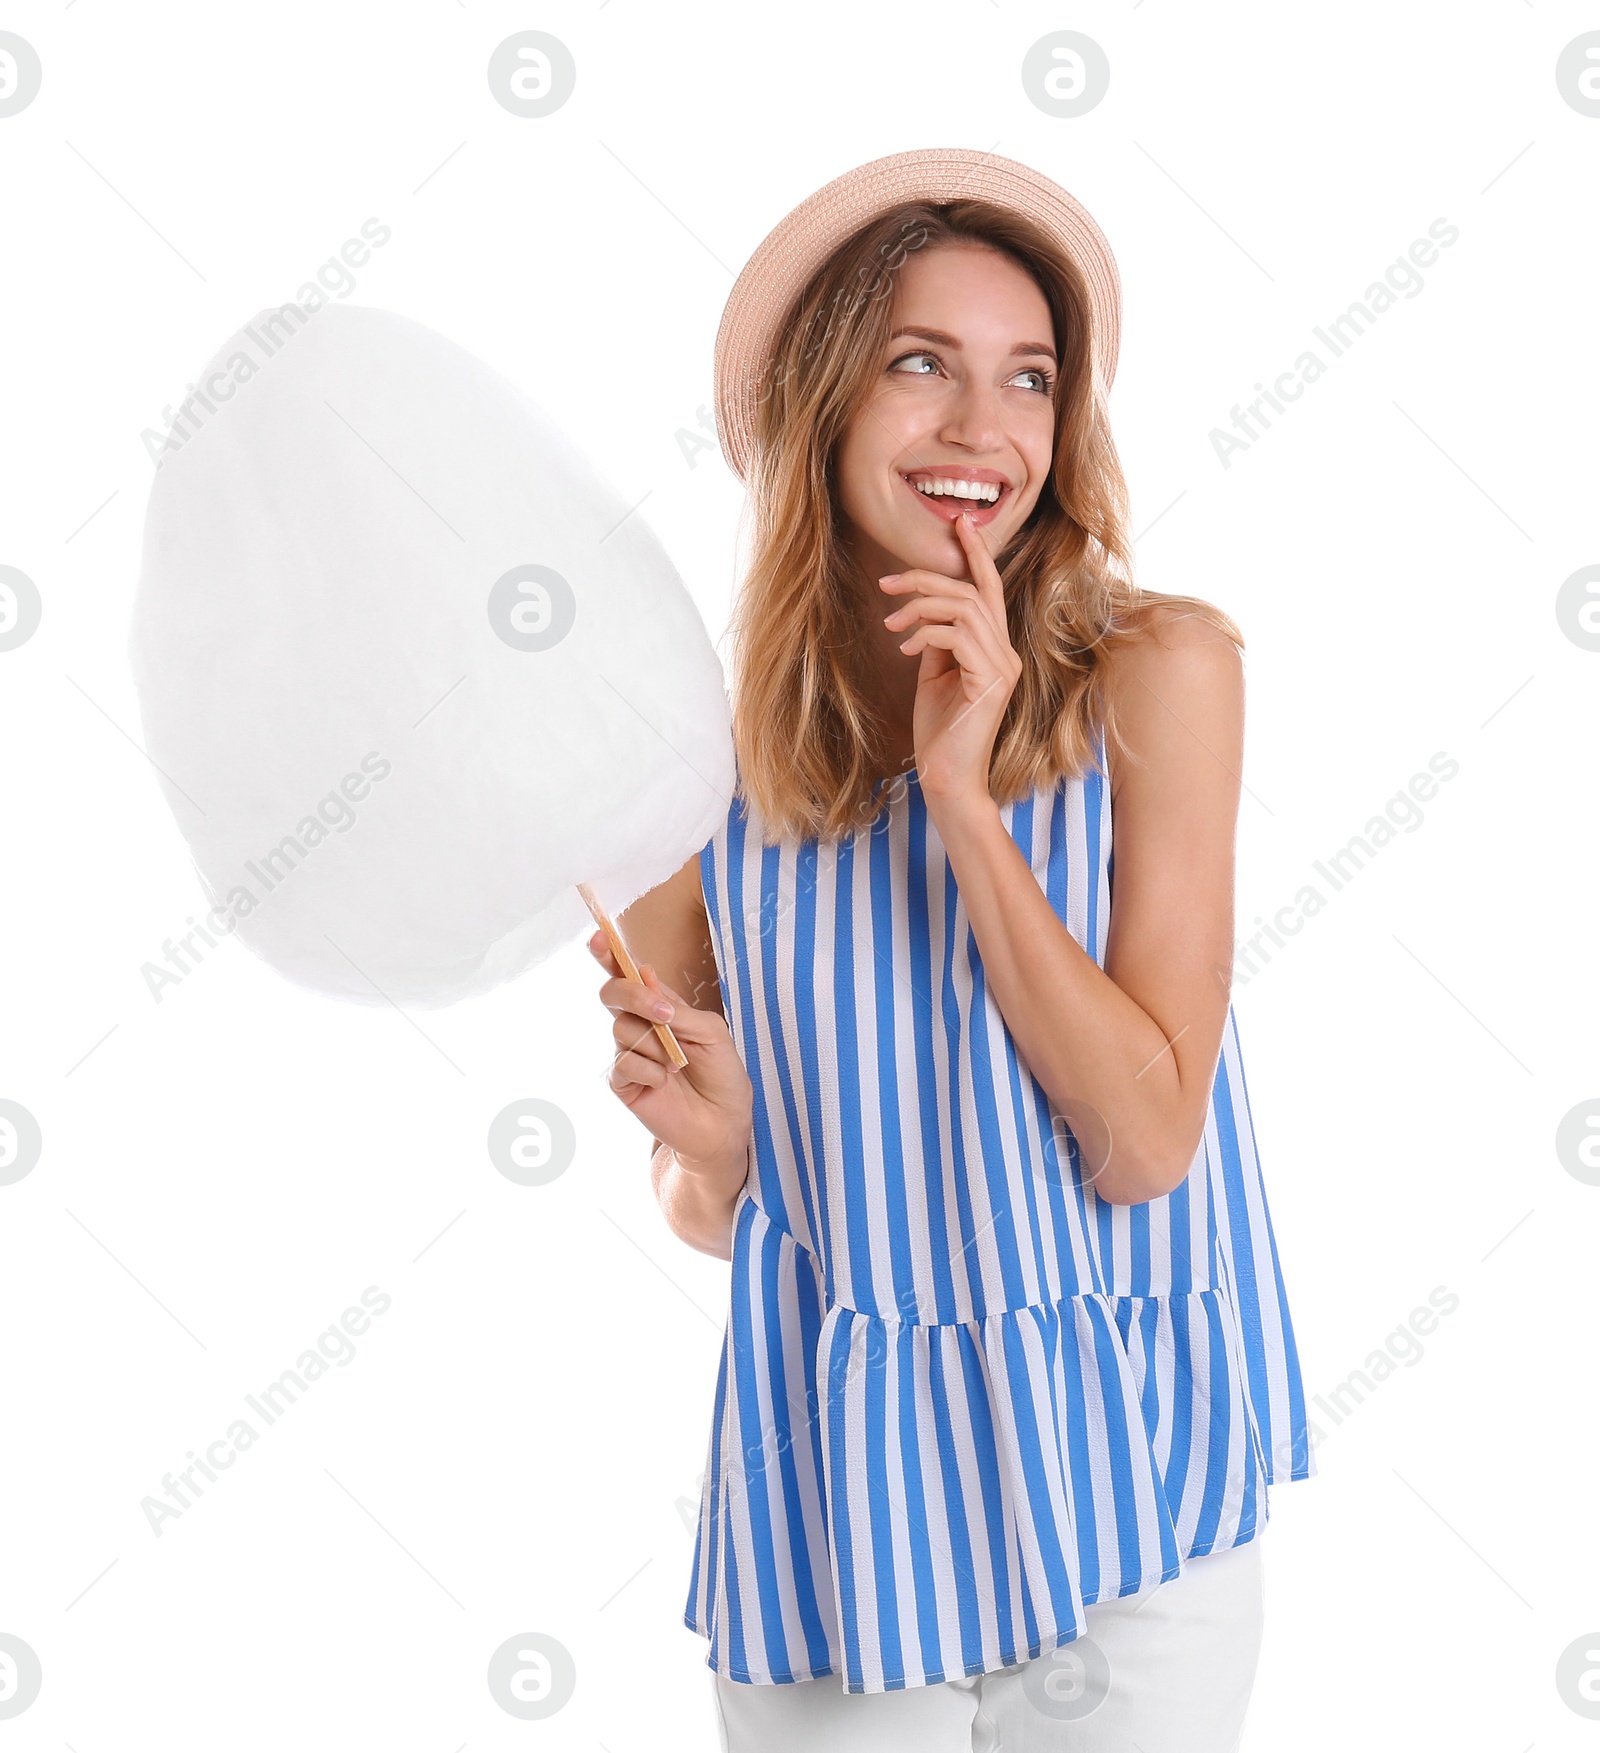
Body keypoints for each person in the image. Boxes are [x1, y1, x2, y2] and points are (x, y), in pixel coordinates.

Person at [589, 147, 1315, 1751]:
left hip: (1132, 1472)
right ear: (824, 396)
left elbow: (1143, 1141)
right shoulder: (685, 766)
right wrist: (716, 1156)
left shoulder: (1158, 674)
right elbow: (711, 1205)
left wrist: (969, 806)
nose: (985, 431)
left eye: (1030, 378)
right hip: (842, 1501)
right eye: (923, 362)